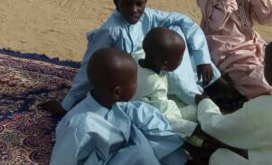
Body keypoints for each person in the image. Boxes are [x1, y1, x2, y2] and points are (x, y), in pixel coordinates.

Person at [44, 0, 221, 116]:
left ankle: (208, 86)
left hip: (154, 65)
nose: (134, 10)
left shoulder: (148, 16)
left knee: (175, 31)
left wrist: (202, 59)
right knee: (174, 86)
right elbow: (88, 65)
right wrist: (66, 104)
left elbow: (185, 21)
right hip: (135, 79)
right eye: (127, 4)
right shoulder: (110, 31)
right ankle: (201, 100)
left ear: (145, 0)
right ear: (116, 1)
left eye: (139, 4)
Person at [50, 47, 187, 164]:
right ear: (117, 92)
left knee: (157, 143)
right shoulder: (80, 127)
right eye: (134, 82)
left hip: (128, 153)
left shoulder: (115, 105)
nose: (137, 85)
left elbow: (144, 114)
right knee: (141, 151)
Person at [133, 28, 200, 141]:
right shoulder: (156, 85)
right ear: (165, 64)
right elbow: (167, 116)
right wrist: (193, 129)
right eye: (180, 58)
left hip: (139, 103)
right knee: (195, 112)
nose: (182, 60)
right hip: (152, 116)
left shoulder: (137, 57)